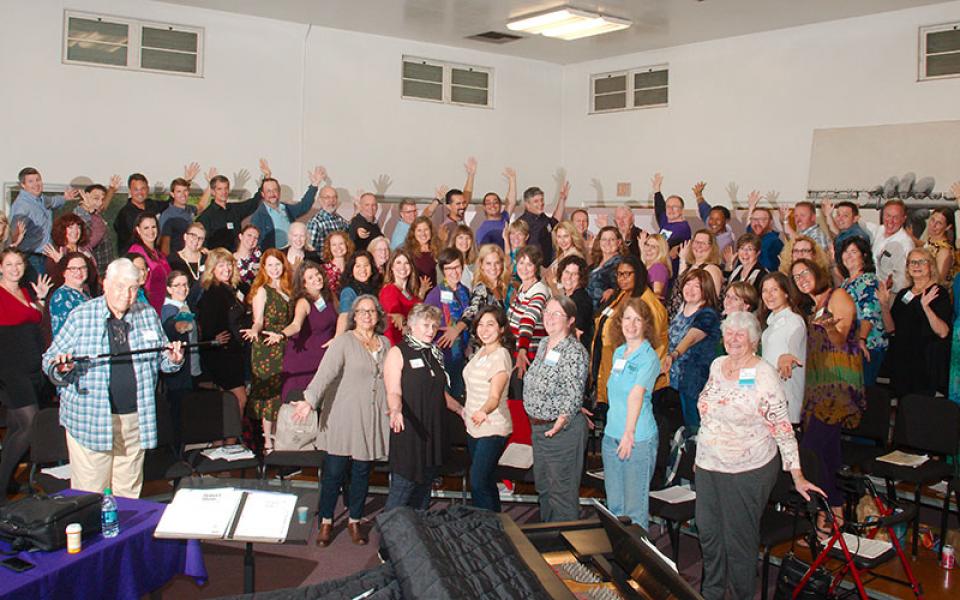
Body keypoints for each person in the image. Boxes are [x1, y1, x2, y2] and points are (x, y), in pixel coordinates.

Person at [696, 311, 822, 600]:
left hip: (747, 468)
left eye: (741, 334)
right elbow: (708, 411)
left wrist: (797, 474)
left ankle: (742, 594)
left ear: (754, 340)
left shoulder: (765, 374)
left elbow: (782, 427)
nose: (734, 339)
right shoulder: (717, 365)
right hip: (708, 464)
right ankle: (710, 593)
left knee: (738, 540)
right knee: (708, 532)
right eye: (729, 333)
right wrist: (703, 448)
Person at [43, 258, 184, 498]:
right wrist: (62, 367)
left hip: (135, 419)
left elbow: (162, 362)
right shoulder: (81, 316)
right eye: (119, 286)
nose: (126, 294)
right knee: (89, 496)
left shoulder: (147, 314)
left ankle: (122, 535)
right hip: (90, 420)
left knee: (128, 494)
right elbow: (49, 360)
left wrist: (174, 359)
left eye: (132, 288)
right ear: (105, 284)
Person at [292, 295, 390, 546]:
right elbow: (325, 374)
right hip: (343, 416)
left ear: (378, 315)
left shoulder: (386, 344)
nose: (367, 315)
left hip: (371, 418)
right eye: (361, 311)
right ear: (353, 316)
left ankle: (354, 521)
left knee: (361, 472)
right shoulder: (344, 342)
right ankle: (326, 521)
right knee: (334, 472)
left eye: (372, 311)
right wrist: (309, 400)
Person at [790, 258, 864, 526]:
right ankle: (836, 511)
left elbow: (841, 338)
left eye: (805, 273)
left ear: (817, 272)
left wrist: (830, 326)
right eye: (796, 277)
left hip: (837, 388)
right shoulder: (813, 306)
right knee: (829, 452)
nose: (801, 279)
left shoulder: (837, 295)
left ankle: (826, 510)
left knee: (811, 449)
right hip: (818, 387)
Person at [384, 304, 464, 510]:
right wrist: (395, 410)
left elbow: (440, 393)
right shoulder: (398, 352)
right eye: (426, 325)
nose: (431, 330)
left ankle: (417, 536)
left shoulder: (434, 353)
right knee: (403, 488)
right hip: (409, 429)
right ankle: (388, 539)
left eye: (435, 326)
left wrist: (461, 410)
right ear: (411, 325)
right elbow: (393, 391)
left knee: (424, 489)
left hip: (433, 431)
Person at [523, 296, 590, 522]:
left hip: (560, 432)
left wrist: (561, 421)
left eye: (556, 314)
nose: (549, 318)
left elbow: (573, 392)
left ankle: (567, 554)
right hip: (540, 429)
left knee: (561, 494)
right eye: (546, 312)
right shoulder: (544, 344)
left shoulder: (574, 351)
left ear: (570, 320)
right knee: (544, 489)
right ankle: (549, 542)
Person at [603, 298, 661, 529]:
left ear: (646, 324)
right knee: (615, 508)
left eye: (638, 319)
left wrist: (628, 433)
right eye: (627, 318)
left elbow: (636, 395)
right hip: (611, 436)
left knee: (634, 512)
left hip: (637, 439)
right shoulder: (619, 353)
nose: (632, 324)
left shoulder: (649, 358)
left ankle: (640, 564)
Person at [0, 249, 51, 502]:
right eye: (9, 264)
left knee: (15, 428)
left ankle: (7, 481)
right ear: (1, 267)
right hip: (9, 371)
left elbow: (35, 318)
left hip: (31, 368)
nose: (14, 268)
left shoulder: (25, 292)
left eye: (18, 263)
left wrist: (40, 300)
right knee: (30, 425)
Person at [241, 249, 294, 453]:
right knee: (268, 393)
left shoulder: (289, 289)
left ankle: (282, 437)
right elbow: (259, 320)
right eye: (270, 265)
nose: (274, 269)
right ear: (264, 267)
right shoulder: (262, 290)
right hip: (266, 347)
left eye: (277, 264)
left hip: (284, 344)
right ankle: (267, 442)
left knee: (283, 391)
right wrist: (255, 331)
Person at [462, 306, 514, 511]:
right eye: (480, 325)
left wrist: (483, 411)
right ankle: (495, 526)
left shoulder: (500, 355)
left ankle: (488, 528)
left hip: (492, 427)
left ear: (501, 329)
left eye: (490, 324)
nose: (484, 329)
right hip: (473, 427)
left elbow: (494, 396)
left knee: (478, 481)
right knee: (486, 481)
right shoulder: (481, 351)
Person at [883, 247, 952, 398]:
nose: (916, 265)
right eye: (912, 262)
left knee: (922, 413)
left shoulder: (938, 293)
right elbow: (891, 329)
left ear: (931, 266)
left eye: (921, 262)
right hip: (902, 361)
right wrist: (883, 305)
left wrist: (926, 307)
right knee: (903, 412)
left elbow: (943, 331)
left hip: (926, 364)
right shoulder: (903, 294)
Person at [664, 268, 721, 430]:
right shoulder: (682, 311)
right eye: (687, 284)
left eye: (697, 286)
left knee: (695, 429)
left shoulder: (707, 314)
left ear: (706, 290)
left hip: (694, 384)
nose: (690, 289)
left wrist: (674, 354)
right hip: (676, 382)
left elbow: (692, 337)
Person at [197, 248, 249, 415]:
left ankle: (225, 441)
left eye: (229, 265)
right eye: (221, 265)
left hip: (234, 353)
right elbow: (206, 325)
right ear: (212, 268)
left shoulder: (230, 289)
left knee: (231, 402)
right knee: (238, 400)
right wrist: (213, 338)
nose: (226, 269)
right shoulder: (213, 292)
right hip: (222, 355)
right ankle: (230, 440)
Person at [280, 261, 338, 402]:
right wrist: (281, 334)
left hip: (323, 360)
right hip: (303, 361)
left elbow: (342, 317)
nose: (316, 278)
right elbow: (296, 325)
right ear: (304, 284)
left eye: (317, 274)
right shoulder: (303, 302)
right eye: (310, 277)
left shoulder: (329, 296)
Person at [837, 237, 887, 387]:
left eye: (854, 252)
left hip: (867, 345)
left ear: (864, 255)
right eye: (845, 252)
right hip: (849, 346)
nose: (848, 256)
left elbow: (869, 314)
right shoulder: (846, 283)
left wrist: (862, 339)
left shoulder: (869, 281)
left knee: (863, 393)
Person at [10, 167, 77, 278]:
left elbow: (53, 202)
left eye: (38, 180)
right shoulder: (22, 207)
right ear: (23, 185)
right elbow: (13, 234)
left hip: (46, 255)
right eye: (31, 181)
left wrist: (64, 198)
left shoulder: (40, 198)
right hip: (32, 258)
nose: (36, 184)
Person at [758, 272, 807, 423]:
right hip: (768, 397)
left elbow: (793, 354)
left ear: (786, 293)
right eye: (765, 291)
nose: (769, 295)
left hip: (785, 400)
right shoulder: (770, 325)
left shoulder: (794, 321)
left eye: (774, 290)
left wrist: (786, 359)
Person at [424, 248, 471, 399]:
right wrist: (446, 329)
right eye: (449, 268)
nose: (454, 272)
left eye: (457, 267)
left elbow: (469, 317)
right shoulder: (435, 294)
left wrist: (459, 331)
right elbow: (424, 324)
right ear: (443, 270)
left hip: (462, 353)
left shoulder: (464, 291)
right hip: (443, 355)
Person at [160, 271, 200, 449]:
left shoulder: (185, 306)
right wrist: (180, 326)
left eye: (185, 285)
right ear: (169, 288)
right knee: (178, 416)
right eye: (177, 285)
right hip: (177, 373)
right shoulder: (171, 309)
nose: (183, 288)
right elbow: (173, 326)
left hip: (189, 371)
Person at [248, 166, 322, 250]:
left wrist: (314, 185)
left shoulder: (285, 208)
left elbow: (303, 206)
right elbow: (255, 241)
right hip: (274, 255)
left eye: (275, 190)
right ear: (263, 194)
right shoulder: (258, 216)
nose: (272, 193)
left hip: (292, 250)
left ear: (279, 192)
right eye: (268, 191)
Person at [508, 246, 551, 386]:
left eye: (529, 264)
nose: (524, 268)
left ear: (536, 267)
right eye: (521, 263)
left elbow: (528, 320)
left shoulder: (540, 290)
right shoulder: (522, 288)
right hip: (516, 351)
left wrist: (522, 350)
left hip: (528, 355)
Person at [197, 173, 263, 252]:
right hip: (219, 260)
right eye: (219, 189)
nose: (223, 192)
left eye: (226, 188)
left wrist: (266, 177)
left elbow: (254, 202)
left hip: (236, 258)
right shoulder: (206, 216)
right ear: (213, 192)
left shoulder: (234, 209)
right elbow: (199, 240)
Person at [669, 229, 724, 319]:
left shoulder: (712, 270)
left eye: (703, 243)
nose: (698, 246)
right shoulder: (692, 266)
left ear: (711, 247)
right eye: (696, 242)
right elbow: (680, 284)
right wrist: (683, 259)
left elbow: (711, 301)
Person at [114, 172, 170, 254]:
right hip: (134, 257)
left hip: (153, 255)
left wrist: (187, 181)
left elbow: (170, 203)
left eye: (143, 188)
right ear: (130, 191)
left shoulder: (151, 204)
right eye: (136, 189)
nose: (140, 193)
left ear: (147, 189)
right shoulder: (124, 214)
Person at [43, 213, 99, 295]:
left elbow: (93, 276)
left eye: (78, 227)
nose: (75, 231)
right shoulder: (56, 252)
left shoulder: (84, 249)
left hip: (88, 294)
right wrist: (61, 263)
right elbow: (55, 282)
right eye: (70, 227)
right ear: (62, 230)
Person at [866, 199, 914, 293]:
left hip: (890, 294)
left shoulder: (906, 244)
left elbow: (904, 281)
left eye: (895, 217)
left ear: (904, 219)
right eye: (888, 216)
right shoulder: (879, 230)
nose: (890, 221)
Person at [128, 213, 171, 313]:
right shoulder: (136, 252)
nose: (151, 231)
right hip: (147, 308)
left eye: (153, 227)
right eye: (146, 228)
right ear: (138, 230)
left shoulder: (158, 253)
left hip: (163, 306)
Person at [380, 249, 423, 346]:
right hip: (396, 344)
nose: (402, 267)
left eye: (406, 263)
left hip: (413, 343)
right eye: (398, 262)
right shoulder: (389, 290)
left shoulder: (412, 294)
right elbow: (394, 320)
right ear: (391, 267)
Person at [462, 244, 509, 333]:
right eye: (488, 263)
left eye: (497, 263)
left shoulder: (503, 287)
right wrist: (457, 328)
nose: (493, 267)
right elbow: (472, 310)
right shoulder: (481, 288)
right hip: (484, 342)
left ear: (502, 264)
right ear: (481, 265)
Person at [518, 183, 568, 266]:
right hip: (533, 266)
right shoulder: (522, 223)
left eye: (542, 200)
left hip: (548, 265)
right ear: (527, 204)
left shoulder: (542, 217)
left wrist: (562, 199)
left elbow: (555, 222)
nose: (540, 203)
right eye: (536, 201)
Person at [651, 173, 692, 274]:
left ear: (682, 210)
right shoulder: (666, 219)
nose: (671, 210)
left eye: (675, 207)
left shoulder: (683, 228)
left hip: (673, 271)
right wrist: (657, 190)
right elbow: (659, 208)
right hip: (660, 267)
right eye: (668, 207)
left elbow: (669, 246)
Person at [74, 182, 116, 278]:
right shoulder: (79, 215)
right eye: (96, 198)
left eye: (102, 199)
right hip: (94, 271)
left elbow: (102, 206)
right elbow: (87, 242)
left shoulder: (94, 212)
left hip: (104, 269)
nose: (100, 202)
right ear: (86, 196)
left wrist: (112, 190)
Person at [49, 252, 92, 339]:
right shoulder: (62, 296)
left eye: (83, 267)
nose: (79, 272)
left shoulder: (85, 293)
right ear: (64, 272)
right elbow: (63, 334)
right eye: (73, 268)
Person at [475, 167, 517, 248]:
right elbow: (484, 252)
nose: (492, 206)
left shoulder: (504, 218)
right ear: (484, 207)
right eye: (488, 203)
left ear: (500, 205)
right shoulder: (482, 230)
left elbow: (511, 202)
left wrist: (512, 180)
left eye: (495, 202)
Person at [167, 222, 207, 308]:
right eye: (193, 235)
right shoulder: (172, 260)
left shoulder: (207, 259)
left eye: (200, 238)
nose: (196, 240)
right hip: (181, 307)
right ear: (185, 236)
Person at [557, 254, 594, 346]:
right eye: (566, 272)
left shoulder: (581, 300)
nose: (569, 277)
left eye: (574, 274)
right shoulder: (568, 297)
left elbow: (575, 330)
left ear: (581, 278)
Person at [586, 226, 624, 310]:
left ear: (619, 242)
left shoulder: (621, 263)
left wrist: (614, 291)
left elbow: (624, 286)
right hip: (588, 310)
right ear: (599, 242)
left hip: (604, 311)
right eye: (604, 239)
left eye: (612, 239)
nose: (607, 243)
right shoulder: (597, 261)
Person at [744, 192, 783, 272]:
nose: (757, 223)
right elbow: (749, 225)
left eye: (762, 219)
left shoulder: (774, 242)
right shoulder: (752, 235)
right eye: (754, 219)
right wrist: (751, 206)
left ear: (770, 222)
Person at [158, 177, 197, 255]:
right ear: (172, 194)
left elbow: (201, 206)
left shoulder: (190, 209)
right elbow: (162, 242)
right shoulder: (167, 215)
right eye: (179, 191)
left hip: (191, 254)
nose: (183, 194)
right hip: (175, 258)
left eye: (185, 190)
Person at [544, 221, 586, 294]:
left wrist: (551, 281)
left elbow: (567, 286)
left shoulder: (574, 257)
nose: (562, 241)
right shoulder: (563, 253)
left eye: (566, 236)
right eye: (559, 237)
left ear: (572, 236)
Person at [693, 182, 735, 254]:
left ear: (726, 221)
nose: (713, 223)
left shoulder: (726, 243)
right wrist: (699, 195)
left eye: (718, 220)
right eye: (711, 218)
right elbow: (704, 209)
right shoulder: (711, 224)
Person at [338, 250, 382, 317]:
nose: (363, 269)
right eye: (358, 266)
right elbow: (345, 317)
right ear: (351, 270)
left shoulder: (377, 287)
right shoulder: (348, 292)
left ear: (372, 269)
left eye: (366, 265)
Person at [306, 185, 348, 252]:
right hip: (322, 261)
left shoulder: (340, 219)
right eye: (327, 197)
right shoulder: (315, 222)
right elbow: (309, 250)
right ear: (320, 200)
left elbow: (349, 236)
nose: (331, 200)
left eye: (334, 197)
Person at [405, 216, 440, 293]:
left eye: (426, 230)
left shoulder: (438, 250)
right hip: (417, 295)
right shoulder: (408, 253)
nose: (423, 234)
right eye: (419, 230)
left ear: (431, 231)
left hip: (436, 294)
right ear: (413, 232)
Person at [923, 207, 955, 284]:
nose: (933, 225)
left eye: (939, 223)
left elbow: (938, 282)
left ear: (948, 227)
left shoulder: (944, 251)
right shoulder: (932, 239)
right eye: (932, 220)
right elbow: (926, 246)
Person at [320, 230, 353, 300]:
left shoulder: (353, 267)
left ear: (347, 245)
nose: (338, 247)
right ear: (329, 248)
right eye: (334, 245)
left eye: (341, 243)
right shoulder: (322, 270)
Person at [640, 232, 672, 300]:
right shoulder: (646, 266)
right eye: (647, 245)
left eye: (653, 247)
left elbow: (657, 295)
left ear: (661, 250)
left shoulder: (658, 268)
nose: (648, 249)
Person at [233, 225, 262, 296]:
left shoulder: (260, 259)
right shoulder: (230, 259)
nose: (252, 240)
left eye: (255, 238)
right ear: (240, 236)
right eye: (249, 235)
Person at [447, 225, 477, 289]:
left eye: (468, 238)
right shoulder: (446, 262)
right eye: (461, 237)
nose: (464, 241)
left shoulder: (476, 263)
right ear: (454, 240)